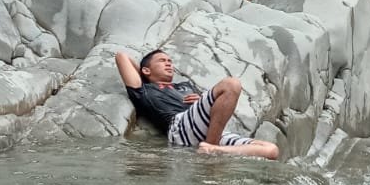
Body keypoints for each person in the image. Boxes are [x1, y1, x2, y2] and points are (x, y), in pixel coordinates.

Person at [116, 49, 279, 159]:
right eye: (162, 61)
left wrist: (200, 99)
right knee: (232, 84)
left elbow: (215, 107)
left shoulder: (185, 86)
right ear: (145, 70)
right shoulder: (145, 90)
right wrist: (146, 73)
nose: (168, 64)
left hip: (209, 130)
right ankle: (210, 147)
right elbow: (121, 56)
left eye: (170, 61)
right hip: (180, 126)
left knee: (271, 150)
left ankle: (212, 150)